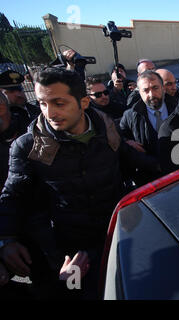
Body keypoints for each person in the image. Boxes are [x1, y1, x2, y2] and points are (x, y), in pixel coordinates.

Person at [0, 68, 159, 299]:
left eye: (59, 103)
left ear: (83, 102)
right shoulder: (28, 147)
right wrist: (5, 240)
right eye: (43, 103)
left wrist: (172, 170)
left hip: (119, 236)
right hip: (70, 257)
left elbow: (131, 158)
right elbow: (12, 196)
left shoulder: (107, 128)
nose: (49, 113)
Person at [120, 70, 178, 185]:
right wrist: (127, 141)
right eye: (145, 90)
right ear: (139, 92)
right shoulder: (131, 115)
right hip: (149, 181)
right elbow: (118, 138)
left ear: (162, 88)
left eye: (155, 88)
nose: (151, 94)